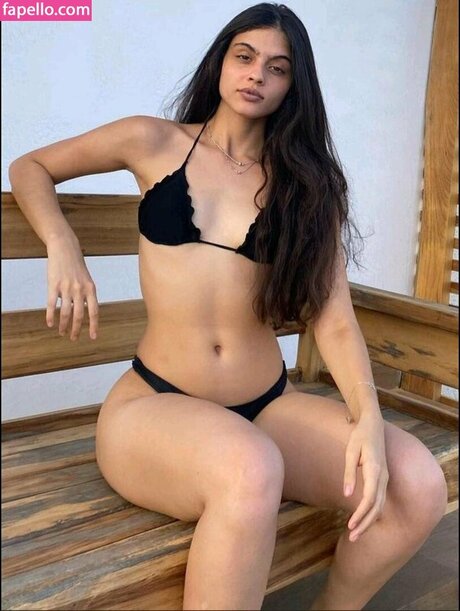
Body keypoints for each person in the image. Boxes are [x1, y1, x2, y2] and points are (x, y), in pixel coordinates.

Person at [8, 3, 448, 610]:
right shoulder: (152, 140)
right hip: (156, 404)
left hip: (266, 406)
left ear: (293, 85)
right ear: (222, 61)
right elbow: (31, 166)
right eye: (245, 57)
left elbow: (335, 319)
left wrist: (367, 417)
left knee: (416, 484)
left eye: (277, 67)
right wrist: (63, 244)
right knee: (250, 468)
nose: (256, 74)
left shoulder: (306, 185)